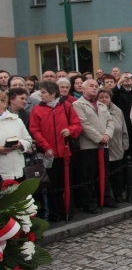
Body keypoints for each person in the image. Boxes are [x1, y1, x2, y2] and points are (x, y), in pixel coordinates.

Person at [29, 82, 82, 221]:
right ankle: (54, 213)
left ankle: (67, 210)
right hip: (49, 154)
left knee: (65, 183)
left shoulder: (66, 107)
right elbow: (35, 130)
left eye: (44, 92)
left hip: (65, 152)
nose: (41, 95)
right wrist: (46, 147)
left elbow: (77, 125)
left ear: (53, 94)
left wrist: (70, 131)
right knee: (51, 185)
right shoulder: (37, 110)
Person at [72, 79, 116, 212]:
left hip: (104, 144)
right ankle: (89, 202)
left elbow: (110, 121)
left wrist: (107, 135)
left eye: (96, 86)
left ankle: (105, 198)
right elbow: (84, 124)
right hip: (89, 146)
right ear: (83, 89)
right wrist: (99, 138)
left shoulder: (102, 105)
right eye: (91, 86)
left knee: (104, 173)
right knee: (88, 175)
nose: (95, 88)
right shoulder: (77, 104)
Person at [97, 87, 129, 202]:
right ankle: (106, 197)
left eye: (106, 97)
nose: (104, 100)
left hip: (116, 147)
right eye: (101, 98)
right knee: (104, 175)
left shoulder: (117, 111)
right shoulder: (96, 111)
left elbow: (124, 129)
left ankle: (118, 194)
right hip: (102, 148)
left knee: (117, 174)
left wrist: (125, 145)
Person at [0, 90, 32, 182]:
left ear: (4, 103)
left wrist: (20, 144)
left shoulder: (16, 120)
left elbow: (28, 140)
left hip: (18, 172)